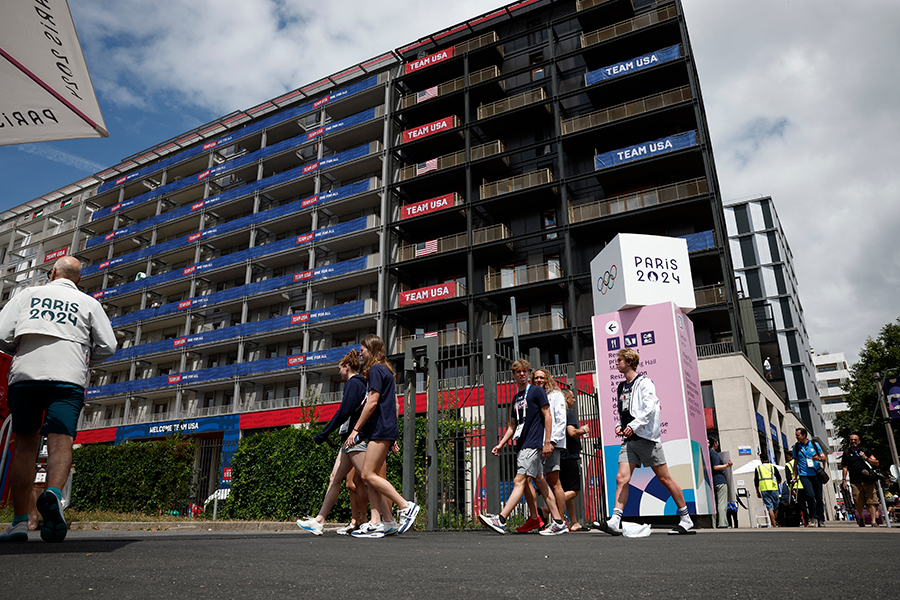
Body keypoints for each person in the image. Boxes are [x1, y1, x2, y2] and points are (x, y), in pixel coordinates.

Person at [0, 257, 117, 543]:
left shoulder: (27, 295)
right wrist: (83, 356)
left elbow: (2, 335)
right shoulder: (89, 304)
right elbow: (109, 345)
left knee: (26, 444)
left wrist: (20, 347)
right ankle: (52, 492)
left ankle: (18, 523)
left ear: (52, 273)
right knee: (61, 440)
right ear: (77, 279)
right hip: (68, 377)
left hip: (27, 375)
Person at [595, 348, 695, 536]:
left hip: (647, 438)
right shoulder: (621, 386)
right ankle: (615, 520)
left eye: (619, 360)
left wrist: (633, 425)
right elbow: (624, 412)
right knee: (621, 478)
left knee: (665, 479)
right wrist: (620, 425)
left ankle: (686, 518)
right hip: (629, 439)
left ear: (629, 362)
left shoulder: (645, 383)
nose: (616, 363)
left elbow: (650, 409)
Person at [344, 334, 419, 538]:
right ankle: (378, 523)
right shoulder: (386, 370)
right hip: (385, 429)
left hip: (379, 430)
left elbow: (373, 402)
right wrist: (393, 435)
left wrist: (356, 429)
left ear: (372, 350)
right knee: (372, 477)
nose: (361, 354)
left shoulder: (376, 369)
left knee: (367, 475)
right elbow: (394, 404)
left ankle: (406, 506)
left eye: (363, 350)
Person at [479, 359, 565, 535]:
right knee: (540, 481)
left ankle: (501, 519)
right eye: (518, 371)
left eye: (525, 371)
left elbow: (548, 415)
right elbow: (512, 426)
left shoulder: (536, 391)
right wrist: (501, 444)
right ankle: (558, 522)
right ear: (513, 375)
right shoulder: (516, 398)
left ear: (528, 373)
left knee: (519, 480)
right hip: (522, 443)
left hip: (533, 444)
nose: (522, 374)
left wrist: (547, 441)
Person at [296, 349, 369, 535]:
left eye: (339, 369)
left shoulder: (354, 384)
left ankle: (392, 513)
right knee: (335, 478)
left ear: (346, 367)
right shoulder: (357, 384)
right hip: (349, 441)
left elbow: (343, 412)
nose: (338, 373)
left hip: (355, 440)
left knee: (369, 479)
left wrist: (324, 433)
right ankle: (319, 520)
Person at [517, 368, 568, 535]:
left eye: (542, 377)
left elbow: (560, 420)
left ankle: (559, 521)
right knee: (528, 478)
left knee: (554, 482)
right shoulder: (532, 395)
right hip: (536, 445)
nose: (539, 380)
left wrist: (551, 442)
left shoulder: (556, 395)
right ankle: (535, 518)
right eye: (536, 377)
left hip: (550, 444)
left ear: (548, 379)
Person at [560, 388, 588, 531]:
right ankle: (547, 509)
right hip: (569, 456)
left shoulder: (557, 413)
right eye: (572, 397)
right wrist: (583, 430)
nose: (574, 400)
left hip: (559, 456)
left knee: (567, 489)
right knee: (575, 491)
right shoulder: (568, 413)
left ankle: (574, 522)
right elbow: (572, 432)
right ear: (566, 399)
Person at [841, 433, 881, 528]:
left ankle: (873, 521)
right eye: (851, 440)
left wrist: (866, 457)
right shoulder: (846, 453)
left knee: (871, 501)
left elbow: (876, 463)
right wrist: (844, 480)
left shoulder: (865, 451)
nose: (853, 441)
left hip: (868, 480)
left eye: (855, 440)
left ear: (859, 441)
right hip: (855, 482)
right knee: (858, 502)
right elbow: (845, 467)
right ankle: (861, 517)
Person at [792, 428, 826, 527]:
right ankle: (813, 517)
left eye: (798, 435)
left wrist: (818, 458)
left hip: (816, 474)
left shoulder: (815, 445)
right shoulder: (796, 447)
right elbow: (796, 462)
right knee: (810, 496)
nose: (796, 437)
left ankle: (821, 519)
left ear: (804, 435)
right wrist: (794, 475)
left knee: (819, 497)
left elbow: (823, 458)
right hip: (804, 475)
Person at [708, 437, 732, 528]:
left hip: (713, 481)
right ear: (715, 443)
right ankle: (722, 523)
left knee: (714, 504)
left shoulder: (708, 453)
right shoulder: (713, 453)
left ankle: (715, 524)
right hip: (720, 480)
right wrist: (727, 465)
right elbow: (715, 467)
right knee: (722, 503)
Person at [754, 453, 782, 527]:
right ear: (768, 458)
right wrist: (775, 483)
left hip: (764, 490)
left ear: (761, 459)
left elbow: (756, 481)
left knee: (770, 508)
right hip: (774, 489)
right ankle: (780, 524)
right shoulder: (773, 467)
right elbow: (779, 479)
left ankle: (774, 525)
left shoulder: (758, 468)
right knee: (777, 507)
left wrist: (757, 492)